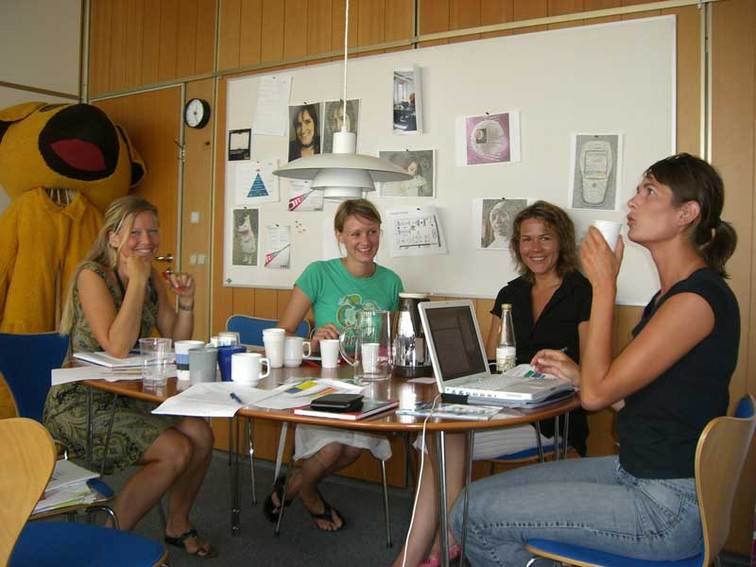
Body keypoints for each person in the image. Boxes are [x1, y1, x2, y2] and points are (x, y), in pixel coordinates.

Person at [452, 153, 739, 565]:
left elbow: (596, 397)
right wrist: (577, 375)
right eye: (638, 189)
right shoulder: (671, 297)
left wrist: (604, 284)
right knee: (468, 501)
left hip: (664, 505)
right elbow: (630, 396)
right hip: (635, 472)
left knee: (472, 518)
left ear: (686, 214)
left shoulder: (696, 300)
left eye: (650, 191)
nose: (633, 201)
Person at [393, 201, 591, 567]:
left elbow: (593, 368)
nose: (535, 248)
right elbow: (488, 363)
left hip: (550, 416)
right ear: (516, 245)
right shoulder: (510, 294)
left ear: (562, 241)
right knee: (435, 435)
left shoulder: (582, 291)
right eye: (526, 239)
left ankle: (436, 546)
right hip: (501, 407)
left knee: (442, 439)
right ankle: (440, 542)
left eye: (545, 238)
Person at [43, 196, 216, 558]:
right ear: (113, 237)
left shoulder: (150, 276)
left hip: (128, 394)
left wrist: (186, 302)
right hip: (82, 401)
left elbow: (176, 341)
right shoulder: (92, 276)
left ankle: (177, 524)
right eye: (135, 232)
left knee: (201, 433)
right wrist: (137, 281)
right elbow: (118, 347)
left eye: (153, 230)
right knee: (176, 450)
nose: (147, 240)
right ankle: (108, 542)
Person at [265, 199, 403, 532]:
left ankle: (294, 485)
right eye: (355, 233)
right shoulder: (318, 273)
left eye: (372, 232)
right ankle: (309, 493)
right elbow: (283, 333)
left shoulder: (391, 281)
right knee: (332, 449)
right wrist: (312, 341)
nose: (365, 241)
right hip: (322, 384)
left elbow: (393, 342)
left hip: (366, 386)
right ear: (340, 235)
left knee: (353, 449)